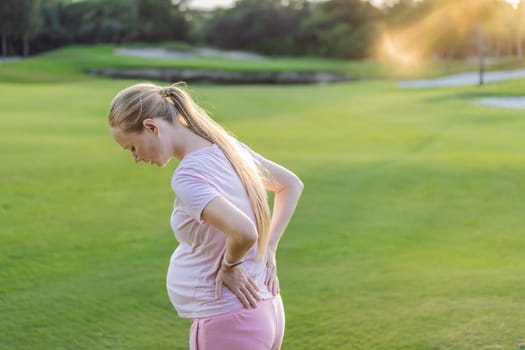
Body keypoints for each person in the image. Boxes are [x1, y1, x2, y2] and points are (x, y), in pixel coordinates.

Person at [108, 82, 304, 350]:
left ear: (152, 127)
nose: (136, 158)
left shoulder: (188, 176)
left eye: (132, 147)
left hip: (228, 318)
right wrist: (269, 246)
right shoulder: (229, 148)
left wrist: (230, 267)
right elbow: (290, 184)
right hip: (264, 310)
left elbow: (245, 231)